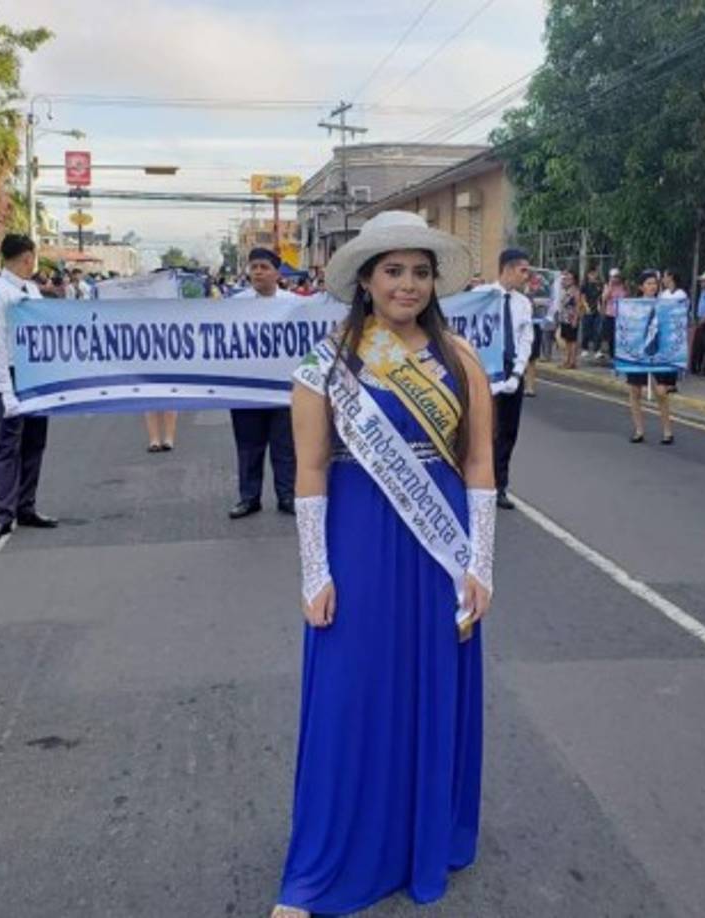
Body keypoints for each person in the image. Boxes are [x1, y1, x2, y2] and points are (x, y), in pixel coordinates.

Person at [277, 209, 494, 917]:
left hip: (438, 544)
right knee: (351, 695)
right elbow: (309, 471)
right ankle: (315, 874)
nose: (408, 285)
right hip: (360, 537)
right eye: (393, 271)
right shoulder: (326, 365)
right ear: (365, 281)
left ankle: (421, 838)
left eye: (421, 272)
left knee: (432, 685)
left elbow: (479, 464)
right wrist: (316, 571)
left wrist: (480, 563)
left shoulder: (460, 360)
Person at [0, 234, 58, 544]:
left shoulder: (32, 290)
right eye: (33, 259)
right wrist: (7, 393)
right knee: (8, 444)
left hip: (35, 373)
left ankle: (26, 506)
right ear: (27, 258)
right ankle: (2, 514)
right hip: (11, 373)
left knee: (35, 442)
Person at [228, 247, 297, 518]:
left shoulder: (296, 303)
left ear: (277, 273)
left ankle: (287, 496)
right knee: (248, 448)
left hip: (284, 389)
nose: (258, 272)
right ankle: (249, 498)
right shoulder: (235, 304)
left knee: (286, 448)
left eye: (264, 267)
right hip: (247, 389)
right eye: (254, 266)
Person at [474, 248, 533, 510]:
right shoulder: (480, 297)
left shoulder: (523, 303)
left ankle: (500, 486)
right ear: (507, 269)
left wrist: (518, 373)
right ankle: (476, 481)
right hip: (485, 370)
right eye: (523, 270)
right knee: (482, 429)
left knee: (508, 431)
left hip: (510, 370)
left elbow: (525, 338)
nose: (527, 276)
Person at [625, 270, 676, 445]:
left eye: (654, 283)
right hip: (638, 353)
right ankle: (639, 430)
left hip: (658, 352)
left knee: (661, 392)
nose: (652, 286)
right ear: (641, 287)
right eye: (648, 283)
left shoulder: (665, 304)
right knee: (635, 391)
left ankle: (667, 431)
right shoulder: (633, 306)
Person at [558, 269, 582, 369]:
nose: (568, 280)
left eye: (570, 278)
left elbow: (578, 306)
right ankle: (566, 360)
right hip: (564, 317)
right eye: (567, 278)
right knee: (566, 340)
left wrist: (575, 319)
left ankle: (572, 361)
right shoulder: (564, 289)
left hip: (571, 318)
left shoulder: (575, 291)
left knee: (572, 341)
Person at [579, 266, 603, 359]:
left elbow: (600, 297)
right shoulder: (585, 285)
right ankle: (585, 349)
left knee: (597, 330)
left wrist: (600, 306)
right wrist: (586, 307)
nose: (593, 276)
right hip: (587, 310)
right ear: (588, 275)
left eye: (594, 274)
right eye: (591, 274)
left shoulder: (599, 285)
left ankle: (597, 350)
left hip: (597, 310)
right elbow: (582, 297)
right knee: (586, 330)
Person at [602, 268, 626, 359]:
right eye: (612, 277)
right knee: (611, 336)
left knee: (620, 336)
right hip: (610, 314)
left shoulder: (623, 286)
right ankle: (612, 355)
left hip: (621, 314)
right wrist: (610, 286)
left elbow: (627, 297)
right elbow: (604, 298)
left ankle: (621, 354)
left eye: (616, 277)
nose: (615, 279)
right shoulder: (607, 286)